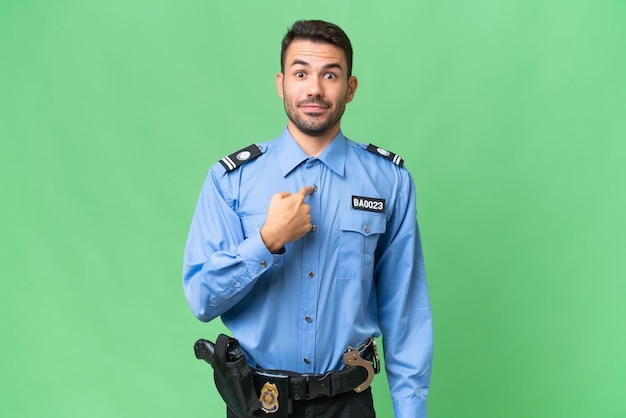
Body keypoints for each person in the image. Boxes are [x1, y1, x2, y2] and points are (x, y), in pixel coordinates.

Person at [183, 19, 433, 418]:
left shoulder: (389, 181)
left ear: (350, 88)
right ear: (282, 83)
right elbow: (201, 299)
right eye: (301, 73)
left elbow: (405, 311)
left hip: (348, 404)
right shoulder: (231, 180)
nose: (314, 88)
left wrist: (410, 411)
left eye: (330, 74)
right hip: (257, 404)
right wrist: (267, 241)